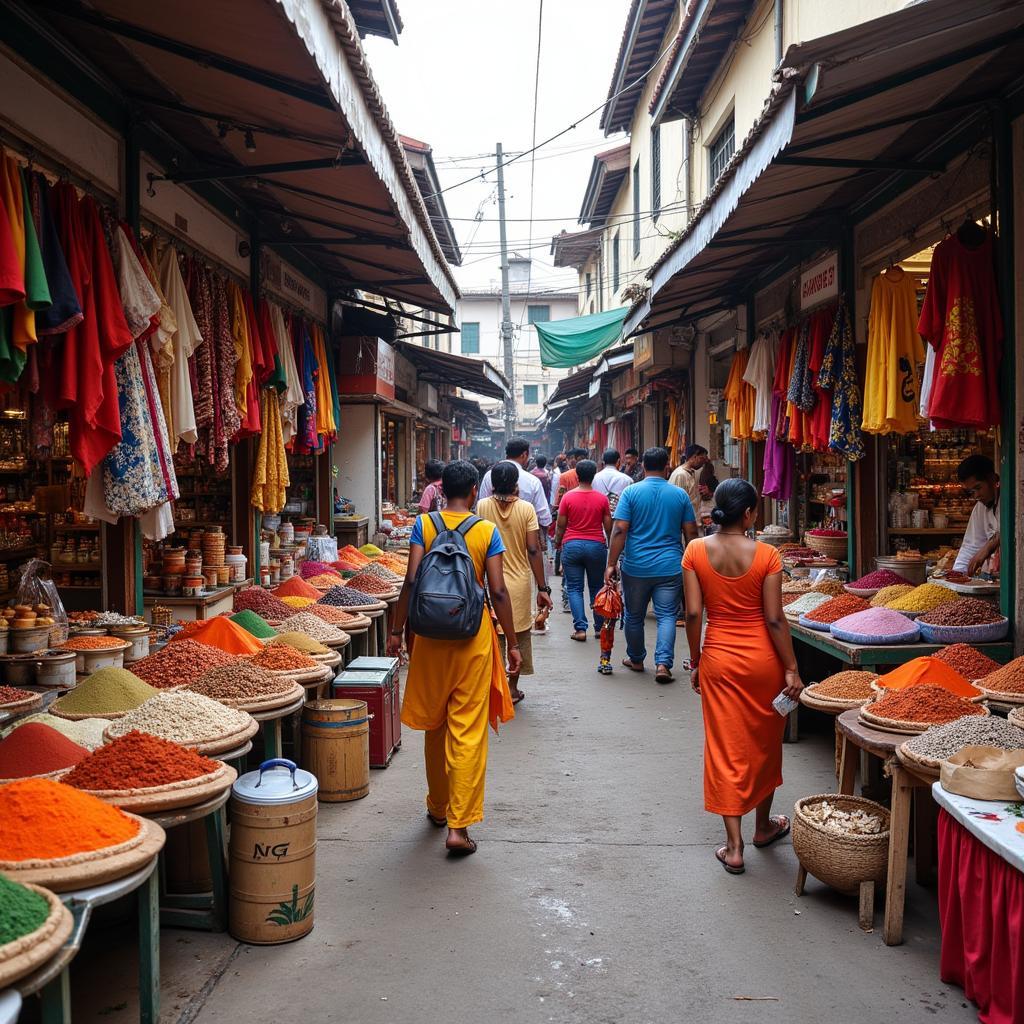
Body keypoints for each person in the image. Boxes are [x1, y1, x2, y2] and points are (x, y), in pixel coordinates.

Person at [387, 460, 519, 857]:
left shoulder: (423, 525)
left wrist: (396, 631)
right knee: (468, 728)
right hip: (472, 638)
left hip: (428, 637)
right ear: (475, 491)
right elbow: (497, 591)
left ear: (442, 489)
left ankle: (438, 807)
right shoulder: (486, 531)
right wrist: (511, 641)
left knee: (435, 724)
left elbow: (410, 580)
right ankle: (459, 827)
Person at [682, 478, 803, 875]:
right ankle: (763, 827)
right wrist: (790, 667)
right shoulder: (767, 554)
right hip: (762, 663)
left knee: (724, 746)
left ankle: (733, 847)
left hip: (718, 658)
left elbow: (695, 614)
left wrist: (696, 660)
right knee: (765, 743)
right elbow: (773, 617)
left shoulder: (696, 550)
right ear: (749, 514)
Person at [604, 446, 698, 683]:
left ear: (643, 465)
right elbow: (691, 532)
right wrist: (695, 565)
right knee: (667, 615)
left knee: (634, 615)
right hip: (670, 566)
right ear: (667, 466)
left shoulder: (631, 493)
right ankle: (663, 665)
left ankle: (636, 659)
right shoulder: (679, 495)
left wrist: (611, 563)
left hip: (636, 566)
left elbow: (619, 530)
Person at [477, 461, 553, 704]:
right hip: (519, 581)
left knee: (492, 634)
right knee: (517, 635)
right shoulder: (527, 509)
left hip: (490, 579)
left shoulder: (481, 506)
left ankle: (491, 687)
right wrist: (542, 587)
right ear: (515, 484)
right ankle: (511, 687)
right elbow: (533, 549)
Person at [554, 459, 612, 644]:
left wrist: (557, 543)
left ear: (577, 475)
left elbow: (560, 525)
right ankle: (599, 628)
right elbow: (608, 527)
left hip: (572, 545)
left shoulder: (568, 498)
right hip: (596, 546)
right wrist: (612, 547)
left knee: (574, 588)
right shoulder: (602, 498)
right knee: (596, 587)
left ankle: (580, 629)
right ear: (594, 475)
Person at [478, 437, 552, 529]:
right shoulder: (532, 481)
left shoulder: (489, 476)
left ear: (507, 453)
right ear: (524, 454)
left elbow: (481, 509)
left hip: (491, 536)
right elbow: (544, 518)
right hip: (523, 536)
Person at [953, 454, 1000, 576]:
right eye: (972, 492)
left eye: (978, 488)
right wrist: (956, 575)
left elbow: (1013, 528)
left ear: (992, 479)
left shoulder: (1013, 501)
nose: (976, 495)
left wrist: (988, 547)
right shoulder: (980, 508)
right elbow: (970, 546)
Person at [668, 444, 709, 511]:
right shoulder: (680, 475)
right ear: (694, 457)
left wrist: (702, 494)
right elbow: (677, 504)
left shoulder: (692, 472)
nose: (704, 462)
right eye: (702, 458)